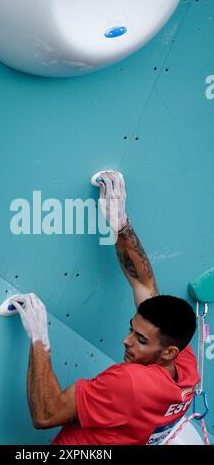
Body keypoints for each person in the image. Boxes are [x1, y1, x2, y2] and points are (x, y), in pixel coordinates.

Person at [10, 171, 199, 445]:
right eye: (132, 329)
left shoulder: (132, 383)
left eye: (140, 340)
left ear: (167, 352)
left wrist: (40, 339)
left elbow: (46, 414)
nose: (127, 341)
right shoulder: (184, 363)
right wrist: (120, 224)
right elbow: (143, 283)